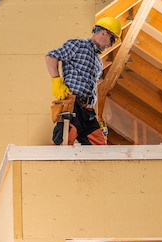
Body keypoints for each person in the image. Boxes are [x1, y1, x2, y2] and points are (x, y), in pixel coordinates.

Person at [45, 16, 122, 145]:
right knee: (63, 143)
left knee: (100, 147)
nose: (110, 45)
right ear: (104, 32)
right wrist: (56, 82)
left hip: (88, 112)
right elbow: (51, 57)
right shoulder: (78, 45)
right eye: (112, 40)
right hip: (72, 105)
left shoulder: (98, 62)